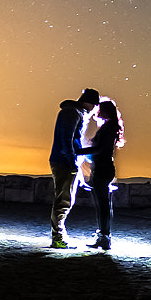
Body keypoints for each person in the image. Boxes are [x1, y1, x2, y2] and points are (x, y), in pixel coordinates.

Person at [47, 88, 100, 249]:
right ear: (89, 103)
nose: (94, 110)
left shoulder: (76, 112)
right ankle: (57, 238)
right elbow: (66, 140)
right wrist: (72, 163)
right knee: (63, 200)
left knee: (65, 200)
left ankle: (59, 235)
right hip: (64, 162)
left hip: (66, 161)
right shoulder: (72, 113)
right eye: (94, 106)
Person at [77, 98, 124, 251]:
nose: (97, 111)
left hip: (102, 169)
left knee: (102, 205)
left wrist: (78, 151)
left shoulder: (108, 128)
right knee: (103, 204)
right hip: (104, 169)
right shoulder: (110, 127)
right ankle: (103, 236)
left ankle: (104, 237)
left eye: (100, 109)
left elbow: (99, 150)